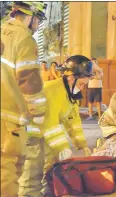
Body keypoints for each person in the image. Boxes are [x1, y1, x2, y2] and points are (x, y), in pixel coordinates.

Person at [18, 55, 93, 196]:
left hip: (42, 132)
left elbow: (73, 120)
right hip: (30, 133)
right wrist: (62, 147)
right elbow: (50, 122)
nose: (82, 88)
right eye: (82, 84)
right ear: (71, 77)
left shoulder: (69, 93)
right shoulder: (53, 90)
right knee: (32, 175)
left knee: (51, 166)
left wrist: (81, 144)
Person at [1, 2, 48, 196]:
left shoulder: (2, 29)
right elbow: (28, 80)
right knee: (7, 172)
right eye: (38, 21)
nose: (37, 26)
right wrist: (38, 113)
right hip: (9, 118)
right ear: (31, 16)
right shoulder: (24, 39)